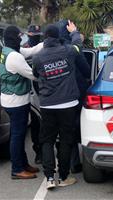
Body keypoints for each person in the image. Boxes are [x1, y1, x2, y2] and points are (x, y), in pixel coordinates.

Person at [32, 22, 82, 189]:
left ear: (45, 38)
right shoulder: (68, 51)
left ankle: (49, 178)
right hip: (68, 103)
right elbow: (78, 45)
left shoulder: (38, 57)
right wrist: (74, 32)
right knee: (66, 141)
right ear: (58, 37)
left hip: (48, 105)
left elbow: (35, 74)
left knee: (47, 140)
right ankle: (63, 176)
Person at [0, 26, 43, 179]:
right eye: (19, 35)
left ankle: (23, 164)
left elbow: (31, 51)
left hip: (10, 100)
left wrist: (48, 42)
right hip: (16, 102)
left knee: (18, 135)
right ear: (13, 37)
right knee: (18, 137)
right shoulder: (14, 57)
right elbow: (33, 75)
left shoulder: (8, 50)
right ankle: (17, 169)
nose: (21, 38)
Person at [55, 19, 91, 174]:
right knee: (78, 126)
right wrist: (75, 32)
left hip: (57, 97)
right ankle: (80, 162)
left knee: (65, 129)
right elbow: (86, 70)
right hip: (76, 94)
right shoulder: (72, 50)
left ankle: (72, 162)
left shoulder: (50, 51)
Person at [24, 24, 43, 164]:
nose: (35, 38)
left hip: (44, 91)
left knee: (45, 124)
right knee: (36, 125)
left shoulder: (43, 48)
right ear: (28, 35)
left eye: (37, 36)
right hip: (30, 92)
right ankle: (39, 152)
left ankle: (45, 149)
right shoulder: (23, 49)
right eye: (33, 36)